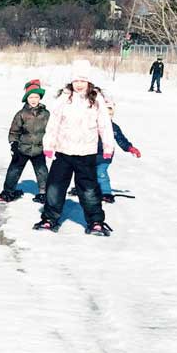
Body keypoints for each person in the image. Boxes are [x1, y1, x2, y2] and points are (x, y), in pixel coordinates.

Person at [35, 60, 114, 235]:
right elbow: (53, 123)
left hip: (86, 153)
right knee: (55, 186)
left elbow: (105, 124)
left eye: (83, 81)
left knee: (89, 189)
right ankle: (49, 218)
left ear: (89, 81)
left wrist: (108, 146)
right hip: (63, 151)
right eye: (76, 81)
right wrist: (49, 144)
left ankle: (95, 222)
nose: (79, 85)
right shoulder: (64, 98)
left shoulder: (96, 99)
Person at [0, 78, 49, 203]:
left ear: (40, 98)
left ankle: (44, 193)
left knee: (42, 172)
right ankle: (8, 192)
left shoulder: (46, 114)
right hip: (22, 148)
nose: (33, 100)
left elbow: (51, 130)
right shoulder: (21, 114)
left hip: (39, 148)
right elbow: (14, 131)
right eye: (31, 97)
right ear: (27, 98)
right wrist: (14, 144)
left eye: (36, 97)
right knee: (14, 170)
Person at [96, 103, 141, 202]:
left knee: (101, 172)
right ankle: (86, 190)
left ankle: (106, 192)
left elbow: (121, 140)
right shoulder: (92, 125)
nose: (107, 117)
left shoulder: (114, 128)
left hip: (105, 155)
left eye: (110, 115)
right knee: (87, 173)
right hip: (89, 154)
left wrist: (130, 148)